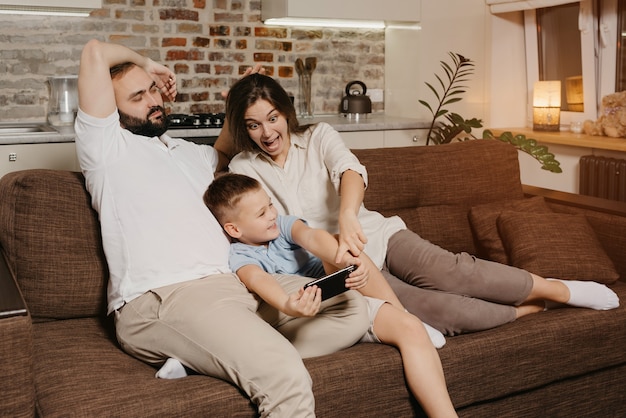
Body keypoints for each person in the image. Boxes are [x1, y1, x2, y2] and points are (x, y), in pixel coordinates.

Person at [74, 39, 371, 417]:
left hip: (234, 283)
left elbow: (227, 151)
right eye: (137, 97)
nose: (153, 100)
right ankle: (237, 355)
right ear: (111, 114)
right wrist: (149, 62)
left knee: (349, 306)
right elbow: (94, 53)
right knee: (282, 373)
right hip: (166, 296)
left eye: (152, 89)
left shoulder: (186, 152)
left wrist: (238, 100)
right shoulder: (106, 150)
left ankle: (208, 358)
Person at [213, 73, 620, 337]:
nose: (267, 132)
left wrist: (348, 214)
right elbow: (220, 169)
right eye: (253, 124)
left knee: (455, 272)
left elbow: (349, 171)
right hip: (343, 268)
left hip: (377, 236)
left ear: (286, 113)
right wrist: (232, 122)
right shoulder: (245, 166)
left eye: (273, 118)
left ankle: (559, 289)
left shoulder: (318, 134)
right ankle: (530, 310)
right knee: (440, 312)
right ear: (242, 127)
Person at [201, 172, 456, 417]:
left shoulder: (283, 226)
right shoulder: (241, 257)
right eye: (261, 213)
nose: (272, 214)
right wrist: (288, 305)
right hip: (306, 316)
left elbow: (313, 237)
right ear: (234, 230)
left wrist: (346, 261)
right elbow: (257, 279)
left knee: (409, 326)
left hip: (338, 294)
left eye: (270, 205)